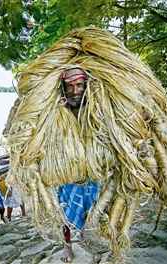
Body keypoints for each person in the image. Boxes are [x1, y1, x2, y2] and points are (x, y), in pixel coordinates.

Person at [57, 67, 100, 262]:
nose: (75, 91)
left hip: (90, 170)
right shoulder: (58, 112)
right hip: (67, 173)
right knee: (64, 212)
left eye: (79, 85)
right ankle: (67, 246)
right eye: (70, 86)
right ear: (63, 89)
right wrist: (60, 111)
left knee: (90, 206)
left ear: (86, 86)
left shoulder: (94, 110)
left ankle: (84, 233)